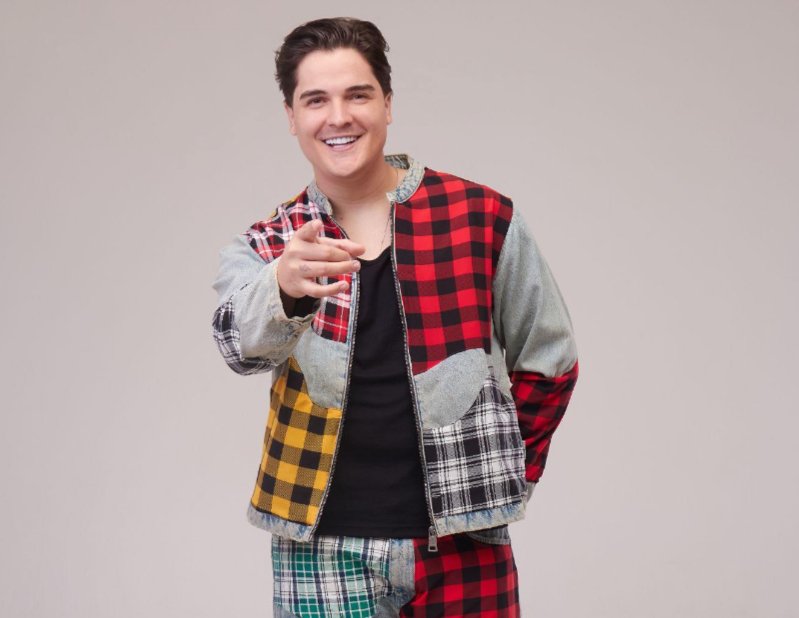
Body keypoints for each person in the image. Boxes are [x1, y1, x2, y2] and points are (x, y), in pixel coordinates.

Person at [212, 17, 579, 618]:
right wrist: (283, 287)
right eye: (315, 100)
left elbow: (551, 360)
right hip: (319, 550)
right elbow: (237, 348)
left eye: (357, 95)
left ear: (387, 103)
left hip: (465, 539)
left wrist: (508, 472)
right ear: (291, 116)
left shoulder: (480, 216)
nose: (338, 117)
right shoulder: (270, 243)